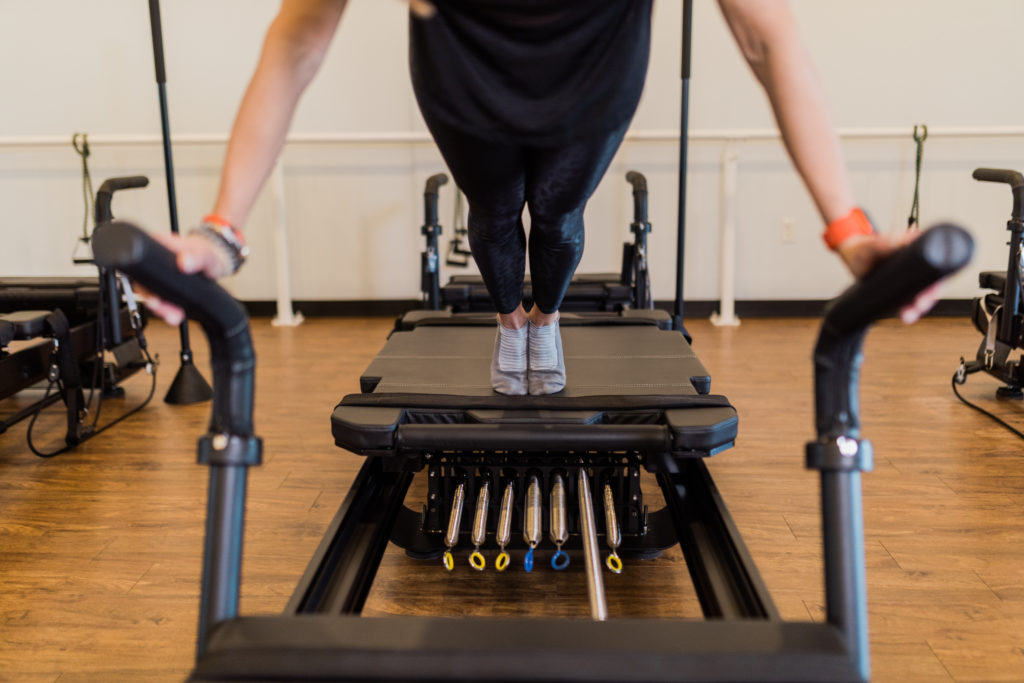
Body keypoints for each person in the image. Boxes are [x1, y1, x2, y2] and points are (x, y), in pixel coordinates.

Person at [144, 0, 938, 395]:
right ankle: (509, 321)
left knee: (556, 216)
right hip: (464, 88)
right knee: (493, 215)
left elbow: (768, 36)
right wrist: (221, 230)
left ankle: (546, 322)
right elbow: (298, 40)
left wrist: (850, 231)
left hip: (593, 93)